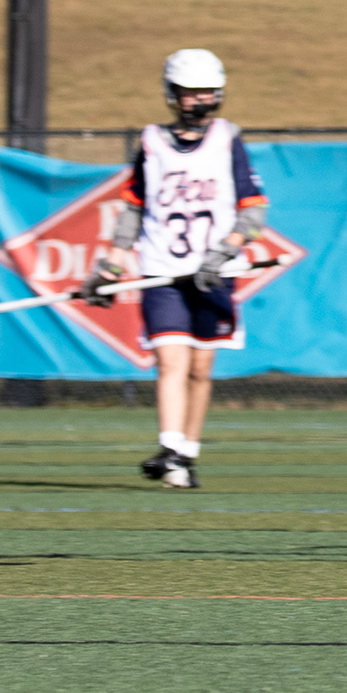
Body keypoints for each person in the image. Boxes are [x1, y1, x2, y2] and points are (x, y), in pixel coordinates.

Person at [94, 48, 266, 489]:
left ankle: (187, 454)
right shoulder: (152, 142)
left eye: (206, 92)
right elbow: (134, 207)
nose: (198, 100)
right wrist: (112, 262)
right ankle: (170, 447)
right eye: (190, 92)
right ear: (172, 94)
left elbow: (253, 211)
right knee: (170, 360)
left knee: (200, 369)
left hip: (214, 274)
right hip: (162, 272)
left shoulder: (227, 139)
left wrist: (224, 251)